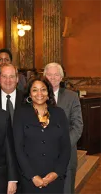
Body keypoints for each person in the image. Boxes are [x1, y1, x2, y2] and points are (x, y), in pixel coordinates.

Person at [13, 76, 71, 194]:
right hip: (29, 179)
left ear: (48, 93)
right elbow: (18, 148)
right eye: (35, 90)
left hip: (55, 179)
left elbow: (66, 147)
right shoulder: (20, 113)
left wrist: (56, 173)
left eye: (43, 89)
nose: (39, 93)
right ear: (29, 93)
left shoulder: (59, 113)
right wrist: (32, 176)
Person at [44, 63, 83, 194]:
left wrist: (63, 145)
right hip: (42, 158)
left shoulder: (72, 97)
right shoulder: (37, 96)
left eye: (56, 75)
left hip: (66, 156)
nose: (52, 78)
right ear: (44, 76)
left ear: (61, 77)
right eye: (49, 74)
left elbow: (77, 126)